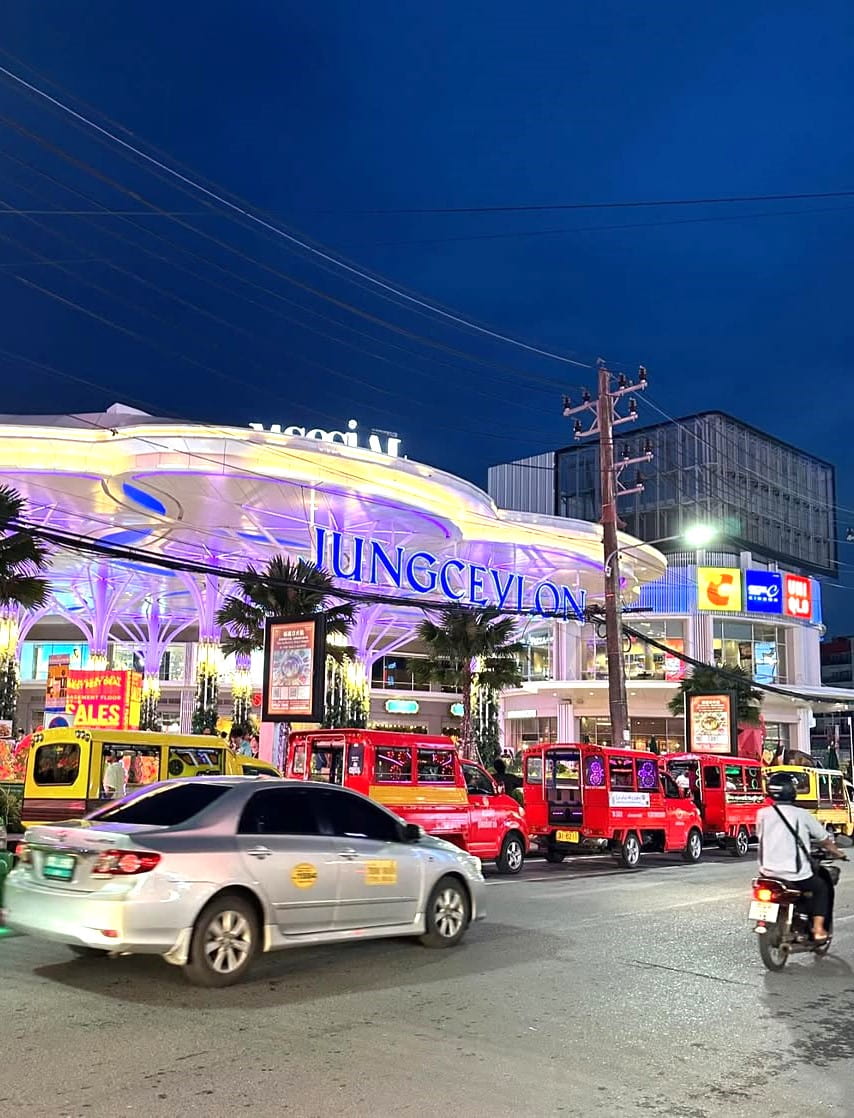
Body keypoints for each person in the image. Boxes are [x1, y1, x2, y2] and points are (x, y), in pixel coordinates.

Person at [757, 776, 846, 942]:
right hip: (794, 874)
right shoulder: (801, 814)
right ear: (792, 792)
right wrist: (838, 852)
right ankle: (818, 929)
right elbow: (824, 839)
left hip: (767, 873)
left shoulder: (761, 814)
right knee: (821, 887)